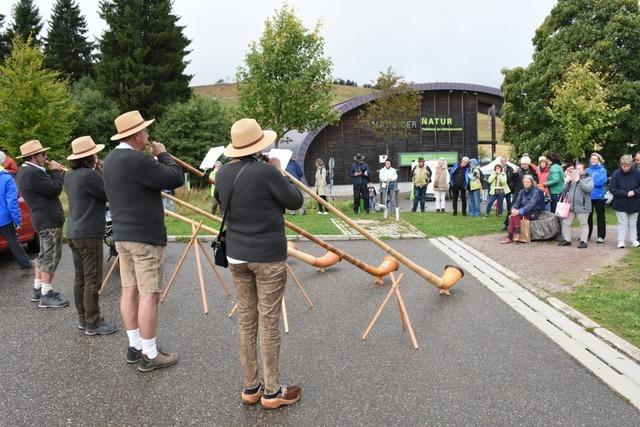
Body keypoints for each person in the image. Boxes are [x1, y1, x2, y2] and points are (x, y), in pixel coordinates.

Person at [215, 118, 303, 410]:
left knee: (246, 320)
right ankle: (272, 392)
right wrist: (279, 172)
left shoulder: (222, 173)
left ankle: (250, 387)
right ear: (258, 145)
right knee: (268, 322)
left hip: (237, 255)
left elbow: (221, 202)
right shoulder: (266, 171)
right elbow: (295, 201)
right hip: (267, 256)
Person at [103, 110, 184, 371]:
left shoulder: (111, 159)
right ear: (137, 135)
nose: (148, 134)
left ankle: (135, 345)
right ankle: (150, 353)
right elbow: (175, 178)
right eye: (145, 130)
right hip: (144, 237)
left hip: (123, 236)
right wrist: (163, 154)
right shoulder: (138, 160)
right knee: (149, 294)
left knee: (129, 290)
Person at [64, 136, 117, 335]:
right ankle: (93, 322)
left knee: (80, 279)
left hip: (74, 231)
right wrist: (102, 171)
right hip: (88, 233)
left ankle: (83, 318)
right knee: (93, 279)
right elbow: (109, 193)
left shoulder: (69, 175)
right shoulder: (90, 175)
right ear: (90, 156)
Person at [16, 140, 68, 308]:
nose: (46, 157)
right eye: (43, 154)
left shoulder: (26, 171)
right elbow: (54, 189)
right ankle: (47, 294)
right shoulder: (32, 173)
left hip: (42, 219)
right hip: (48, 220)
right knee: (50, 258)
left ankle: (38, 289)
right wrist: (56, 172)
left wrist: (53, 173)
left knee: (43, 256)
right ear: (34, 156)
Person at [0, 150, 32, 269]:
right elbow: (12, 202)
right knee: (13, 242)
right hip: (4, 218)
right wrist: (17, 220)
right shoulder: (7, 178)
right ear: (3, 162)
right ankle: (26, 265)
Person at [558, 162, 593, 248]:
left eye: (579, 169)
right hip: (571, 206)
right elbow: (564, 190)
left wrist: (578, 181)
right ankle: (567, 240)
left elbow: (588, 189)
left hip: (582, 206)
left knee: (583, 224)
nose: (577, 170)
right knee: (566, 223)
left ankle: (583, 241)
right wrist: (568, 181)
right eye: (576, 169)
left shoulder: (589, 178)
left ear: (584, 170)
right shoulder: (573, 178)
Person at [609, 154, 640, 248]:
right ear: (621, 164)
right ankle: (621, 241)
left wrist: (635, 192)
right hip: (620, 203)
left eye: (628, 166)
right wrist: (625, 193)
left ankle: (634, 240)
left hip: (635, 202)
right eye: (624, 166)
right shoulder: (616, 174)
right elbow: (612, 188)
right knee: (622, 222)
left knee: (633, 223)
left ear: (631, 164)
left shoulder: (637, 173)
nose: (626, 168)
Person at [502, 175, 544, 243]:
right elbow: (517, 203)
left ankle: (512, 235)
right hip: (523, 211)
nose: (526, 183)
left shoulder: (535, 192)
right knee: (513, 215)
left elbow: (531, 205)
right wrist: (513, 209)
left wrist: (519, 211)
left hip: (533, 212)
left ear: (531, 183)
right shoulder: (521, 191)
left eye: (528, 182)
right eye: (525, 182)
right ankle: (514, 234)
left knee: (515, 215)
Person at [587, 153, 608, 243]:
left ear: (599, 160)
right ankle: (587, 235)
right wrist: (592, 182)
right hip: (588, 196)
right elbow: (584, 181)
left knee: (600, 217)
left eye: (595, 159)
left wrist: (590, 182)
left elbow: (601, 182)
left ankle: (601, 236)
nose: (593, 161)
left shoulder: (603, 170)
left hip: (599, 196)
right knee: (588, 217)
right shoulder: (587, 170)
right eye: (592, 159)